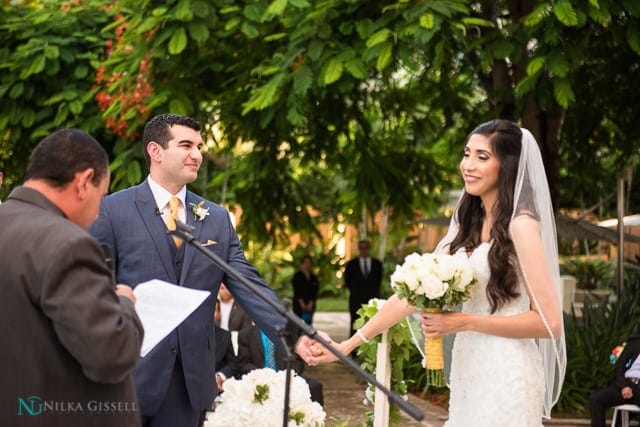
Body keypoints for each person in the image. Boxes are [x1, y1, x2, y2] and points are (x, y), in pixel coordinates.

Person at [312, 119, 567, 426]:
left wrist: (465, 321)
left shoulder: (521, 225)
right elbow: (410, 295)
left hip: (507, 369)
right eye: (467, 153)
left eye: (482, 157)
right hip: (468, 367)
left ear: (507, 166)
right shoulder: (465, 226)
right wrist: (348, 345)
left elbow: (549, 323)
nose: (468, 165)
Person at [89, 113, 322, 427]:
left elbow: (248, 284)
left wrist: (292, 335)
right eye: (186, 145)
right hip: (127, 377)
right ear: (155, 151)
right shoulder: (111, 211)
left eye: (199, 146)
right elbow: (92, 288)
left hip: (190, 384)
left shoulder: (216, 218)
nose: (196, 154)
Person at [0, 129, 144, 426]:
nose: (97, 213)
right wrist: (124, 304)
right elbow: (110, 354)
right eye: (101, 196)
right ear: (83, 182)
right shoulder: (67, 244)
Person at [236, 323, 324, 406]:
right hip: (259, 379)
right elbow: (244, 364)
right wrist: (264, 376)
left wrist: (285, 376)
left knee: (314, 386)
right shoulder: (246, 334)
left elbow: (297, 361)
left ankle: (316, 420)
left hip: (286, 377)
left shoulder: (288, 333)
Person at [589, 334, 640, 427]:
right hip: (627, 384)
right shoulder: (634, 343)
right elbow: (619, 367)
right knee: (596, 399)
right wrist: (623, 386)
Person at [344, 239, 383, 336]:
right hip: (356, 298)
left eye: (366, 248)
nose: (364, 250)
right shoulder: (352, 264)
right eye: (361, 248)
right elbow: (347, 280)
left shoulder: (377, 264)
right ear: (359, 249)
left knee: (373, 323)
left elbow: (378, 280)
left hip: (372, 298)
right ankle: (353, 348)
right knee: (355, 322)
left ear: (369, 249)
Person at [292, 254, 320, 325]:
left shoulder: (313, 277)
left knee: (308, 323)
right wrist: (302, 303)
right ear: (301, 264)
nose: (307, 264)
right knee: (298, 323)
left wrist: (311, 302)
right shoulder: (297, 276)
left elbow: (315, 291)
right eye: (305, 262)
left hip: (310, 303)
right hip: (299, 303)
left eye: (309, 262)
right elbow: (297, 290)